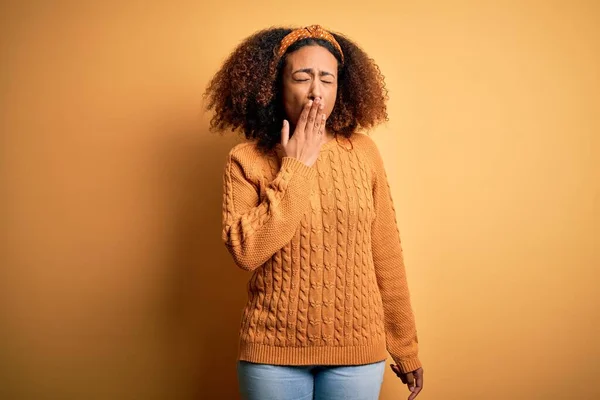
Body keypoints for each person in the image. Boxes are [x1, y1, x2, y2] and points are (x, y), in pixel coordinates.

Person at [204, 24, 423, 400]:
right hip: (272, 353)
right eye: (302, 77)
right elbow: (247, 251)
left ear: (342, 87)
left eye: (327, 79)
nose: (316, 91)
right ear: (276, 85)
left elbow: (385, 254)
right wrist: (297, 167)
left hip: (356, 351)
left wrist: (405, 346)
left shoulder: (364, 153)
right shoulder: (245, 159)